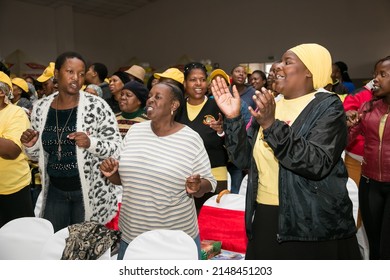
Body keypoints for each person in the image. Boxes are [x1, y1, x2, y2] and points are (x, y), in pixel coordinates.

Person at [211, 43, 360, 260]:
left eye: (287, 62)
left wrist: (271, 125)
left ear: (310, 71)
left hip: (310, 221)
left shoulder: (328, 106)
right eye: (279, 61)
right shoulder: (271, 104)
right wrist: (233, 119)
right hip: (265, 215)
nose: (277, 67)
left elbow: (316, 163)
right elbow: (243, 159)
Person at [100, 82, 216, 259]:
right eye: (150, 96)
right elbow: (123, 180)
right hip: (132, 237)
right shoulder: (135, 131)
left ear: (174, 105)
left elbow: (209, 182)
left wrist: (198, 186)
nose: (150, 101)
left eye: (158, 97)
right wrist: (112, 174)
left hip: (174, 239)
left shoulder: (190, 139)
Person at [20, 51, 121, 232]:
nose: (76, 78)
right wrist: (31, 145)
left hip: (88, 192)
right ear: (57, 74)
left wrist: (91, 143)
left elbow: (115, 147)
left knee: (83, 248)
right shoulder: (41, 108)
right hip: (54, 190)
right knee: (55, 245)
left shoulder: (97, 106)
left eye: (81, 74)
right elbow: (38, 156)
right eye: (70, 72)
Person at [346, 56, 390, 259]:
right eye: (374, 75)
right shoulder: (368, 107)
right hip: (370, 183)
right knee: (375, 246)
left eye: (382, 74)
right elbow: (346, 142)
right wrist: (349, 125)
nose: (375, 80)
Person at [178, 62, 227, 213]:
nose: (198, 83)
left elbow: (234, 142)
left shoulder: (219, 106)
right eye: (193, 79)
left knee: (212, 226)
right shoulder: (177, 108)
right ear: (185, 83)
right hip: (182, 177)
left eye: (202, 79)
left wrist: (221, 132)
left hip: (215, 174)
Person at [0, 71, 34, 228]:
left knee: (19, 241)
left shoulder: (16, 114)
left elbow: (12, 150)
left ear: (2, 92)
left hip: (13, 190)